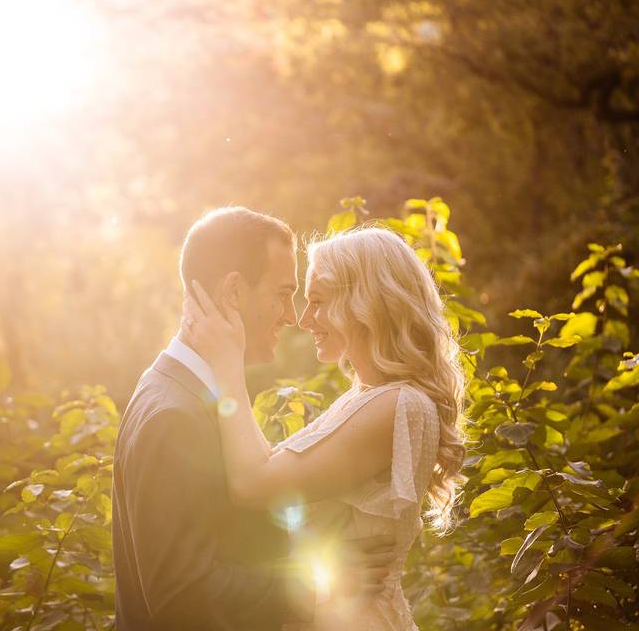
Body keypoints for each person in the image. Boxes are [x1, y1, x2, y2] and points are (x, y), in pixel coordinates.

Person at [112, 208, 397, 631]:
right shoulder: (173, 414)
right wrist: (312, 591)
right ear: (232, 293)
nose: (290, 314)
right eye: (282, 294)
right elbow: (180, 596)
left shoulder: (188, 392)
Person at [182, 225, 467, 630]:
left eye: (317, 302)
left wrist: (227, 363)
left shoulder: (397, 405)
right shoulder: (367, 398)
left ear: (364, 304)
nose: (303, 318)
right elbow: (276, 479)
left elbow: (253, 484)